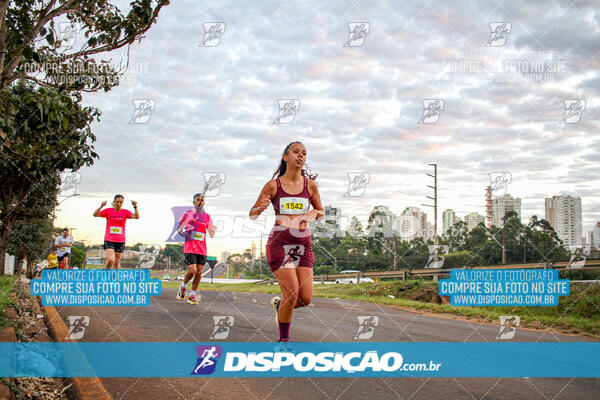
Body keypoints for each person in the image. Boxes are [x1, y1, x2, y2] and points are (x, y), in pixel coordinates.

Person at [249, 141, 324, 351]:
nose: (301, 156)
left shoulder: (310, 185)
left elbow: (321, 211)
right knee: (291, 294)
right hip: (280, 244)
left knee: (305, 298)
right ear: (285, 157)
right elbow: (252, 215)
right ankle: (283, 342)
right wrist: (260, 207)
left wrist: (313, 213)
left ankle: (279, 305)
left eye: (304, 153)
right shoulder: (274, 185)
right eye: (296, 152)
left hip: (303, 245)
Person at [176, 194, 215, 304]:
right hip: (190, 247)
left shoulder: (207, 216)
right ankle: (183, 286)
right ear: (194, 202)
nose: (200, 202)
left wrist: (214, 229)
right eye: (198, 200)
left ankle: (192, 295)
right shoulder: (188, 214)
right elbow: (179, 230)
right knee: (192, 270)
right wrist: (187, 235)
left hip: (201, 249)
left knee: (199, 272)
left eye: (202, 200)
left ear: (204, 202)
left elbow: (211, 233)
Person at [93, 194, 140, 269]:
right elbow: (95, 214)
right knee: (111, 259)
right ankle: (107, 273)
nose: (119, 204)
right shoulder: (108, 211)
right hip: (109, 239)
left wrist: (135, 206)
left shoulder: (125, 212)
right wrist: (101, 206)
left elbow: (137, 217)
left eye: (121, 202)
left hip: (120, 240)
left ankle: (114, 279)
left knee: (117, 262)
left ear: (122, 203)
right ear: (114, 202)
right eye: (117, 202)